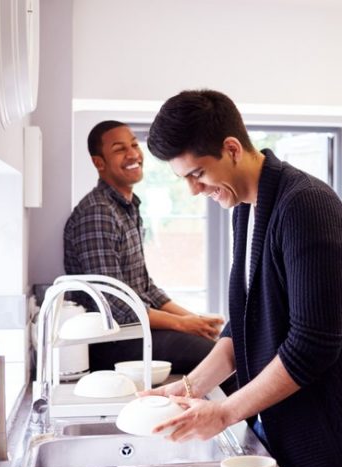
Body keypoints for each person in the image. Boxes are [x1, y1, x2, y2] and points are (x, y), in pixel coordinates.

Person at [143, 90, 342, 467]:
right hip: (283, 434)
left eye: (198, 174)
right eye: (184, 178)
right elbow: (245, 328)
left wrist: (222, 412)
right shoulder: (247, 208)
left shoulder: (305, 205)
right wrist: (186, 389)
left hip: (326, 446)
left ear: (232, 149)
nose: (193, 190)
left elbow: (313, 345)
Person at [63, 120, 224, 374]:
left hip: (135, 330)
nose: (132, 154)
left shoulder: (126, 207)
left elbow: (145, 287)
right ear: (99, 163)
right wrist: (183, 325)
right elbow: (116, 306)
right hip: (112, 342)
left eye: (134, 145)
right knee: (218, 356)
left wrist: (193, 319)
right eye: (119, 149)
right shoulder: (98, 213)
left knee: (221, 343)